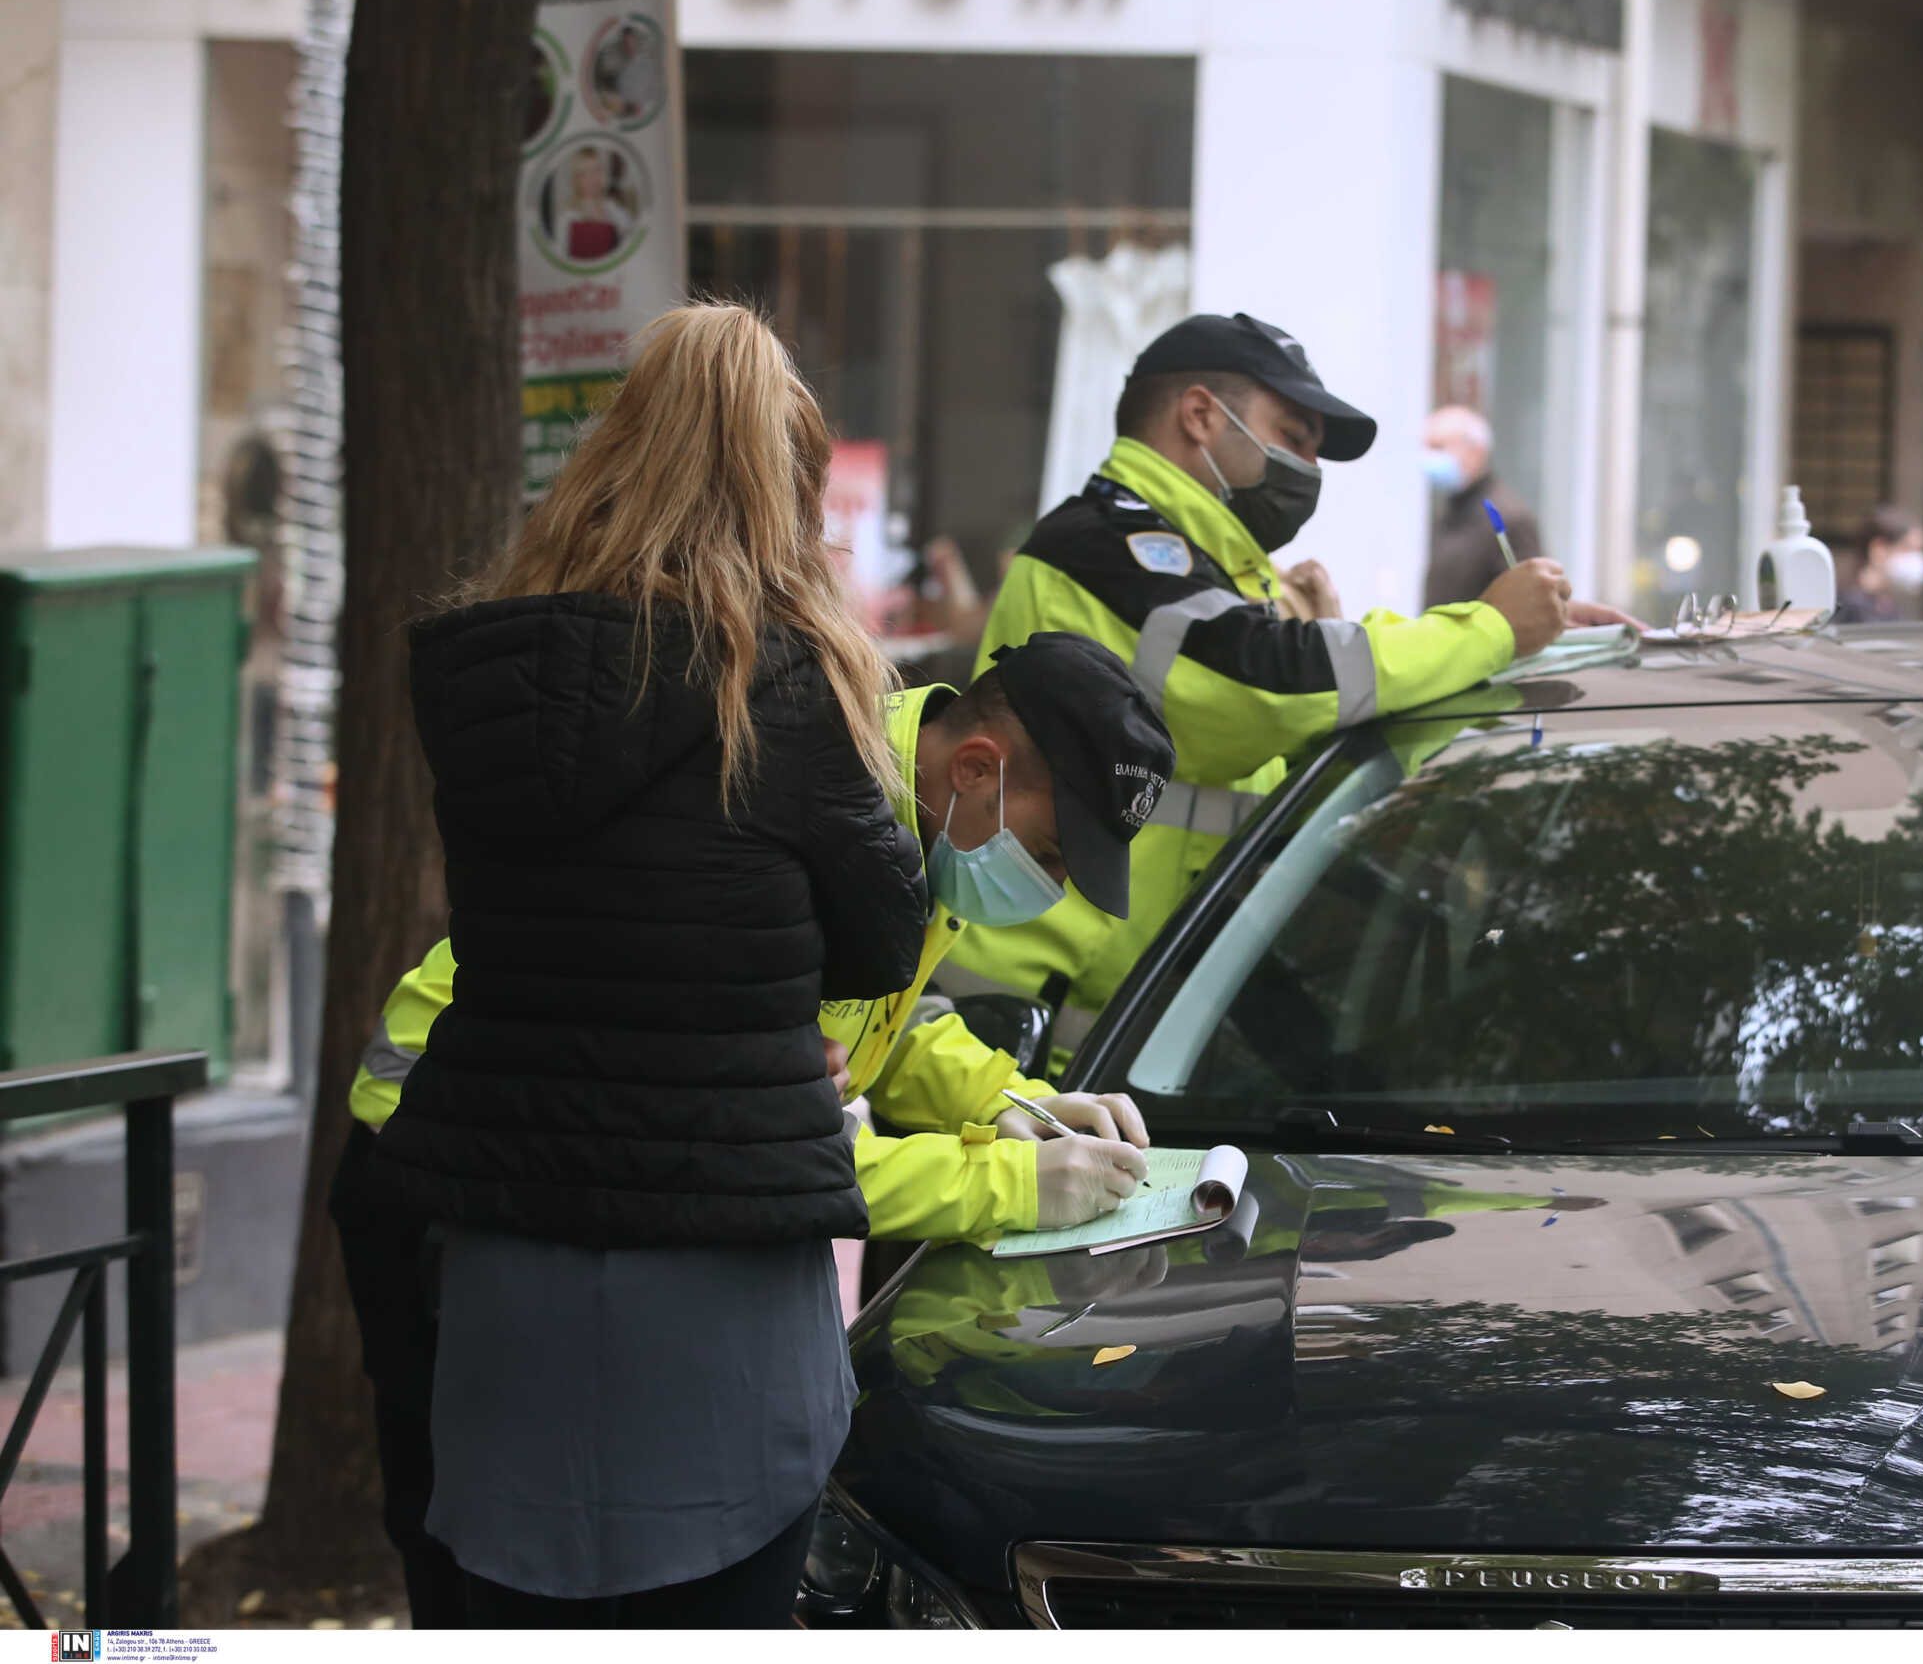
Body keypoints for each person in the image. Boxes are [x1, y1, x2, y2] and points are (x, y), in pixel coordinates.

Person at [331, 635, 1172, 1625]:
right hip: (446, 1154)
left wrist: (1005, 1100)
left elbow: (888, 1016)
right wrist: (1017, 1187)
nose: (1051, 885)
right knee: (475, 1547)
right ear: (976, 767)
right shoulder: (816, 810)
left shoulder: (903, 806)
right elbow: (766, 1143)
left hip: (570, 1158)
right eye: (1049, 852)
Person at [363, 303, 925, 1627]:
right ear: (783, 484)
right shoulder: (781, 682)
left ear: (616, 457)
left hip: (508, 1246)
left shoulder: (488, 674)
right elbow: (883, 939)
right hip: (721, 1258)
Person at [944, 310, 1633, 1027]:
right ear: (1202, 416)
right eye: (1293, 438)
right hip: (1023, 1032)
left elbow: (1305, 725)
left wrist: (1536, 646)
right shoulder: (1106, 547)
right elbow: (1276, 689)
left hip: (1130, 1025)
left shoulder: (1213, 572)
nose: (1307, 469)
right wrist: (1491, 627)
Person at [1420, 404, 1541, 607]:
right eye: (1427, 447)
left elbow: (1528, 601)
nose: (1430, 457)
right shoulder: (1451, 511)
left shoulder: (1507, 517)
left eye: (1439, 447)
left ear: (1476, 450)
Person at [1830, 508, 1923, 625]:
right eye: (1909, 549)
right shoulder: (1845, 606)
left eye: (1920, 551)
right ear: (1879, 548)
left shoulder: (1889, 606)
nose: (1916, 559)